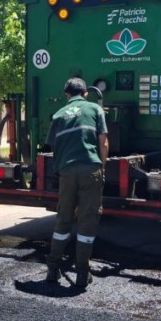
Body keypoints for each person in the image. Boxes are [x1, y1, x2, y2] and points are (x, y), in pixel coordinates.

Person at [44, 77, 109, 288]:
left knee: (63, 219)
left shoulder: (59, 114)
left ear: (67, 94)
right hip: (90, 168)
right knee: (87, 220)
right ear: (86, 93)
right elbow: (104, 142)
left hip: (67, 171)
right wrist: (102, 166)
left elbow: (54, 147)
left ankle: (53, 270)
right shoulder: (94, 109)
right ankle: (82, 273)